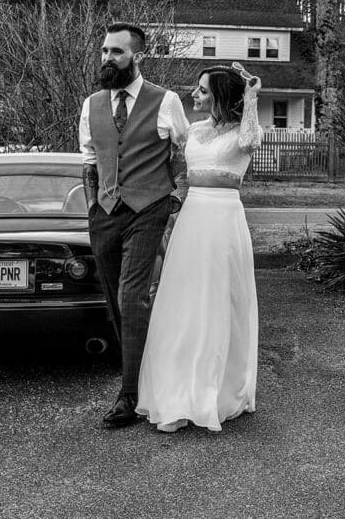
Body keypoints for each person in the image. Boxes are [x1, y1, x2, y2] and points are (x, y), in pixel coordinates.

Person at [135, 63, 263, 433]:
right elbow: (170, 163)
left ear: (222, 95)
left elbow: (251, 142)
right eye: (197, 88)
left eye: (204, 90)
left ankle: (214, 392)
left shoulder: (244, 131)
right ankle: (176, 395)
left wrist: (252, 98)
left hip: (223, 221)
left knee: (218, 302)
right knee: (183, 302)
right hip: (191, 219)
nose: (195, 94)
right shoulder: (192, 130)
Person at [79, 22, 189, 429]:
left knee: (131, 296)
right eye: (105, 51)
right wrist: (93, 208)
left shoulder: (166, 100)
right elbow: (89, 162)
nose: (108, 58)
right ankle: (143, 376)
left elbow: (185, 152)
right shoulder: (92, 105)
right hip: (105, 213)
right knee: (114, 301)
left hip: (149, 209)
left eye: (117, 52)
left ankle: (129, 395)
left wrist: (173, 196)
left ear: (136, 56)